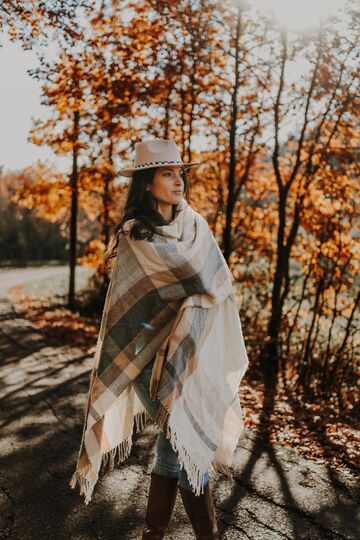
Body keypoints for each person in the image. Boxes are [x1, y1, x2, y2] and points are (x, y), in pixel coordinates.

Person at [69, 139, 249, 540]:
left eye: (179, 172)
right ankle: (208, 536)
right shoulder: (138, 233)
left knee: (172, 448)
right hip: (145, 359)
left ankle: (155, 533)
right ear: (147, 184)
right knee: (184, 440)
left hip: (189, 356)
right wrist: (197, 294)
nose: (177, 179)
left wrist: (197, 308)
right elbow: (199, 279)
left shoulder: (196, 225)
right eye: (166, 173)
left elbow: (219, 284)